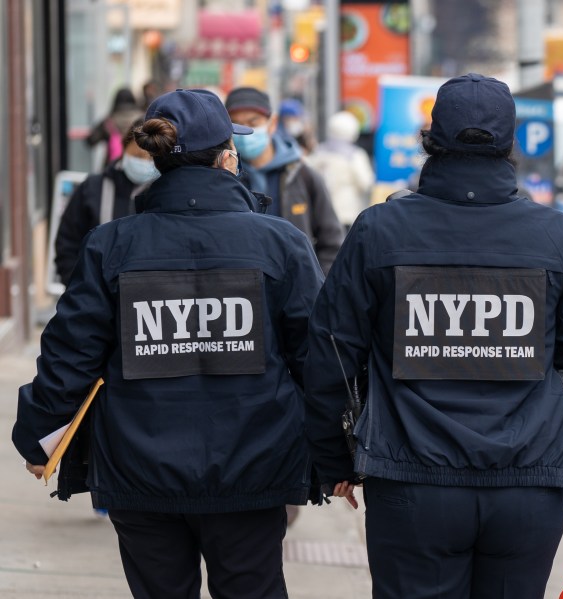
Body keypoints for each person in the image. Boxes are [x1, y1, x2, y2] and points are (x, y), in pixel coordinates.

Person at [304, 73, 563, 599]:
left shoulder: (380, 230)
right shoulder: (556, 236)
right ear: (509, 144)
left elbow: (333, 350)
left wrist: (333, 456)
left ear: (432, 139)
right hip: (527, 484)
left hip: (412, 481)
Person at [13, 88, 324, 599]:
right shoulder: (279, 243)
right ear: (228, 157)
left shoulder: (112, 243)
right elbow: (318, 359)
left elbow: (69, 356)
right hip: (254, 467)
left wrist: (38, 435)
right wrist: (338, 454)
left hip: (141, 471)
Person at [225, 87, 344, 273]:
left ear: (272, 124)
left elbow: (332, 242)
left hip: (296, 291)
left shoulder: (303, 175)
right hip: (242, 293)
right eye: (237, 125)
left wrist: (318, 286)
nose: (246, 133)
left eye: (253, 122)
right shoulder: (224, 179)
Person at [55, 118, 159, 287]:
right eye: (138, 155)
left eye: (151, 158)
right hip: (96, 296)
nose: (144, 162)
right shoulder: (93, 188)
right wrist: (79, 288)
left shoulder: (163, 192)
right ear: (124, 149)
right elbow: (67, 242)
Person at [307, 110, 375, 230]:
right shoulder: (355, 155)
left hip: (320, 212)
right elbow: (365, 183)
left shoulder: (319, 151)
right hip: (346, 214)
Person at [85, 87, 144, 168]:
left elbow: (91, 140)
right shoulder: (142, 119)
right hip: (137, 167)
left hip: (112, 168)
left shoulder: (108, 121)